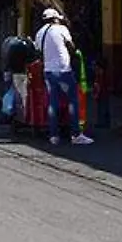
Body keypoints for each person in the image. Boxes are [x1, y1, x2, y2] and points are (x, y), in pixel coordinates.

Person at [34, 8, 93, 146]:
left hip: (48, 71)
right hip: (63, 70)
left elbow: (38, 52)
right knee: (73, 101)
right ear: (55, 18)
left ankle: (54, 135)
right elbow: (71, 47)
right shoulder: (61, 29)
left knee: (53, 103)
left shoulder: (39, 33)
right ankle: (76, 134)